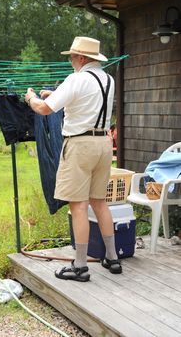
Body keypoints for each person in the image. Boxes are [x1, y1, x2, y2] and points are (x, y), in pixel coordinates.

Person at [24, 36, 122, 282]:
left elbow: (44, 109)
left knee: (78, 204)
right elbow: (87, 99)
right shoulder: (108, 79)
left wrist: (31, 99)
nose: (70, 61)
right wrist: (56, 94)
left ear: (80, 58)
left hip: (79, 144)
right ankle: (112, 257)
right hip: (103, 143)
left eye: (71, 57)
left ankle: (79, 266)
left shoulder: (76, 79)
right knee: (99, 201)